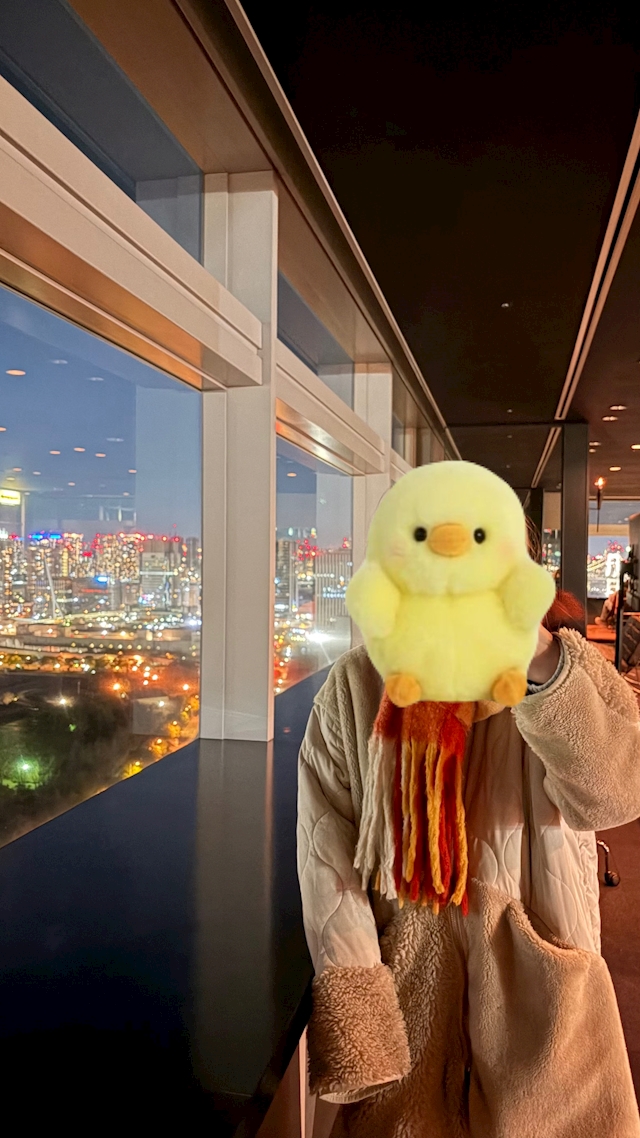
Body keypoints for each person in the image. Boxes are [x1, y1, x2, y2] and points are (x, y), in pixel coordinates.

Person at [297, 583, 640, 1137]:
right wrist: (362, 1022)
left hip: (543, 1006)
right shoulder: (358, 681)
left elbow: (617, 795)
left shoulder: (561, 666)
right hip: (408, 1008)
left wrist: (534, 653)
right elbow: (326, 854)